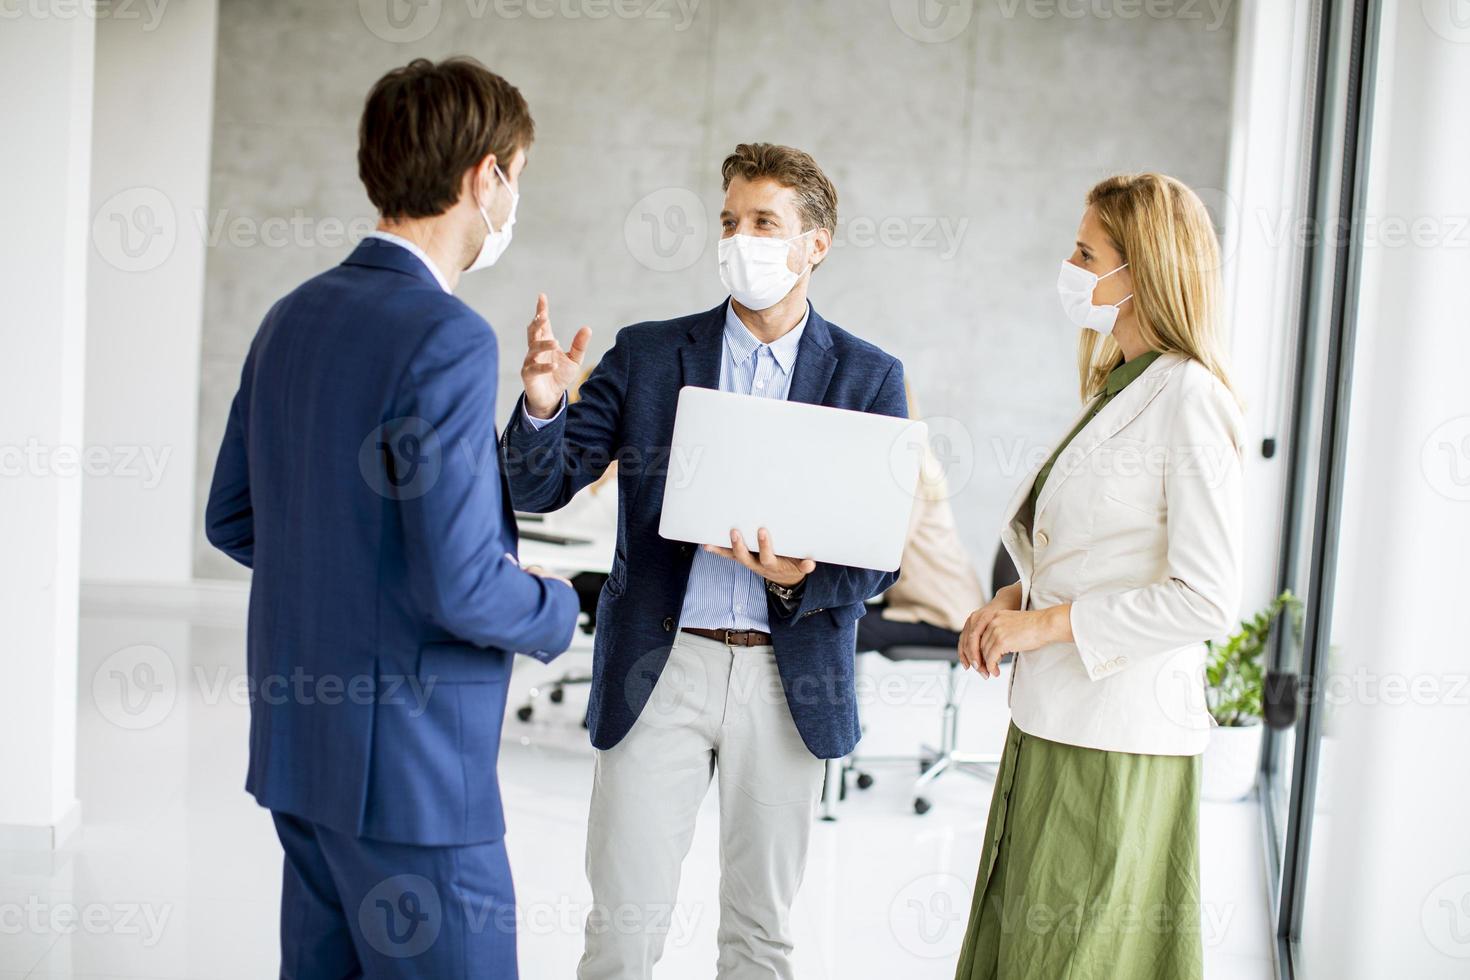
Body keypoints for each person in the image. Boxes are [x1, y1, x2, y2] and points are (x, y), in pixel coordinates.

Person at [204, 57, 580, 979]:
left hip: (304, 758)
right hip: (413, 780)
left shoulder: (291, 316)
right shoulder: (447, 336)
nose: (512, 201)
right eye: (516, 178)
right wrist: (561, 606)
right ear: (482, 177)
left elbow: (235, 519)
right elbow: (457, 581)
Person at [499, 143, 907, 980]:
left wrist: (804, 577)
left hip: (785, 679)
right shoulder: (649, 355)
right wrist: (544, 404)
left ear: (815, 244)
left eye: (765, 222)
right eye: (729, 221)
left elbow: (881, 558)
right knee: (621, 927)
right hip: (664, 664)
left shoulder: (868, 376)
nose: (741, 239)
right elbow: (539, 487)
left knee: (759, 936)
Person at [952, 173, 1244, 980]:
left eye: (1087, 252)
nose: (1070, 265)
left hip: (1115, 740)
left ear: (1142, 269)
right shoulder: (1120, 381)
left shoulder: (1189, 399)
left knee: (1073, 954)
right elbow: (1096, 548)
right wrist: (1018, 597)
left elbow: (1207, 595)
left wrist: (1042, 626)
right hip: (1056, 720)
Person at [856, 386, 984, 653]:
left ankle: (834, 695)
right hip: (926, 606)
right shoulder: (906, 465)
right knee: (833, 617)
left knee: (836, 624)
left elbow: (885, 550)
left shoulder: (912, 473)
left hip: (948, 616)